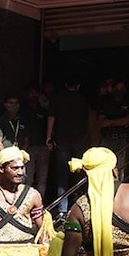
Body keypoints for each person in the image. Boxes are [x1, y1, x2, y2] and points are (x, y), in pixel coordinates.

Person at [47, 77, 94, 219]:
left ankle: (62, 210)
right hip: (79, 141)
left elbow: (51, 117)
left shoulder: (57, 99)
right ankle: (79, 206)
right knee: (79, 173)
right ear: (78, 86)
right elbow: (90, 119)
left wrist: (48, 136)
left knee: (62, 175)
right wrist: (88, 138)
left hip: (61, 140)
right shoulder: (83, 99)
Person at [23, 83, 53, 196]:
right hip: (28, 148)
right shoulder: (23, 111)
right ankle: (25, 202)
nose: (34, 95)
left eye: (36, 93)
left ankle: (38, 205)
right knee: (27, 178)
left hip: (43, 147)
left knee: (42, 178)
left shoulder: (44, 111)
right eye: (32, 93)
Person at [98, 79, 129, 172]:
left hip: (121, 139)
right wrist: (118, 121)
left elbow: (127, 121)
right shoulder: (106, 102)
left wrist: (110, 122)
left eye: (122, 88)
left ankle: (118, 186)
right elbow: (101, 122)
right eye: (117, 88)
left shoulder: (128, 102)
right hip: (106, 138)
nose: (120, 90)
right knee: (103, 167)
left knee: (120, 168)